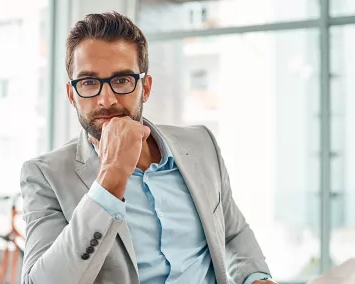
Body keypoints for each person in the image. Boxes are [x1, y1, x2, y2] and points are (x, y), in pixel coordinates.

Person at [20, 11, 276, 284]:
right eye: (89, 83)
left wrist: (256, 278)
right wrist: (110, 178)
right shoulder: (45, 175)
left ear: (146, 87)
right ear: (72, 95)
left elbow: (233, 234)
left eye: (121, 80)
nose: (106, 99)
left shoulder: (201, 144)